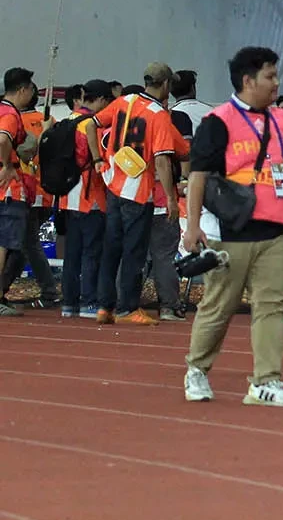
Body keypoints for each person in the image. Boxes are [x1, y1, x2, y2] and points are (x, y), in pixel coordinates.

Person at [181, 46, 283, 406]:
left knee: (273, 306)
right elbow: (198, 175)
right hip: (232, 230)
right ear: (248, 81)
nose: (277, 82)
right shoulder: (218, 121)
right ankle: (196, 370)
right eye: (270, 76)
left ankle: (265, 381)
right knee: (219, 306)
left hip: (279, 231)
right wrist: (192, 226)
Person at [94, 62, 187, 326]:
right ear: (166, 84)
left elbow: (92, 124)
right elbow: (163, 160)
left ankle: (105, 307)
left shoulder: (125, 101)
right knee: (134, 252)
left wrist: (97, 159)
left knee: (111, 248)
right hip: (138, 191)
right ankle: (127, 308)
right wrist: (171, 199)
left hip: (114, 184)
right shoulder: (158, 114)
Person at [57, 80, 111, 318]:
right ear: (100, 99)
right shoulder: (92, 124)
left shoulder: (66, 121)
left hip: (67, 195)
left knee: (72, 254)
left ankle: (69, 303)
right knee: (91, 252)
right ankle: (89, 301)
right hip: (91, 195)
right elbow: (101, 158)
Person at [0, 67, 39, 316]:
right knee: (5, 244)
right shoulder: (10, 114)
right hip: (7, 189)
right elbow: (3, 139)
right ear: (23, 89)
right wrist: (6, 165)